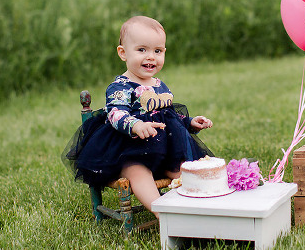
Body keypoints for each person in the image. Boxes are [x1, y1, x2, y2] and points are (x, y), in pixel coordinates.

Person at [63, 16, 213, 216]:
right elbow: (116, 114)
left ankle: (195, 208)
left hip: (164, 149)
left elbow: (168, 115)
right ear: (123, 53)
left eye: (157, 51)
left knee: (185, 171)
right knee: (138, 173)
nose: (151, 57)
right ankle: (163, 213)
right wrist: (135, 125)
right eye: (142, 50)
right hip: (129, 150)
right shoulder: (120, 87)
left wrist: (190, 123)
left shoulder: (160, 85)